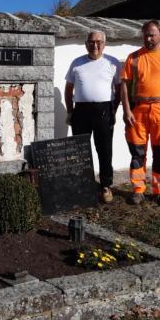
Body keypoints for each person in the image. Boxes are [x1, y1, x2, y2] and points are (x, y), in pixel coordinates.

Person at [120, 20, 160, 207]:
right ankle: (138, 191)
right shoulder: (133, 58)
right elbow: (124, 86)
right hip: (138, 112)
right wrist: (126, 110)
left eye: (152, 35)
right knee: (137, 153)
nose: (148, 39)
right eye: (146, 35)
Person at [64, 30, 122, 203]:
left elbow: (119, 90)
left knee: (104, 149)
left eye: (99, 42)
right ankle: (82, 184)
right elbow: (68, 89)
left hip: (104, 110)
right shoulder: (77, 63)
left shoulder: (112, 63)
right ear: (86, 44)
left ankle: (106, 185)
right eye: (91, 42)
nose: (95, 45)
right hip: (81, 111)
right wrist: (70, 111)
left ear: (104, 44)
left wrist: (113, 110)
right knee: (80, 149)